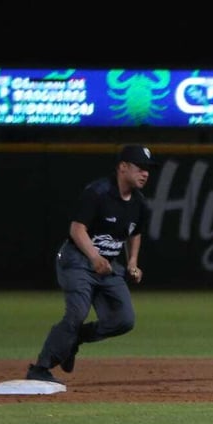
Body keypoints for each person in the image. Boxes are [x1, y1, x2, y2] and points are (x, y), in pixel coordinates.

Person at [25, 145, 156, 384]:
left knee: (124, 319)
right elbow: (77, 229)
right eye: (140, 168)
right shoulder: (98, 192)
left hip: (108, 267)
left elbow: (135, 233)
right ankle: (40, 367)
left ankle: (74, 339)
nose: (145, 173)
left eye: (148, 169)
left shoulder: (140, 203)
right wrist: (94, 257)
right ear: (122, 167)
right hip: (77, 261)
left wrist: (133, 262)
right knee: (76, 313)